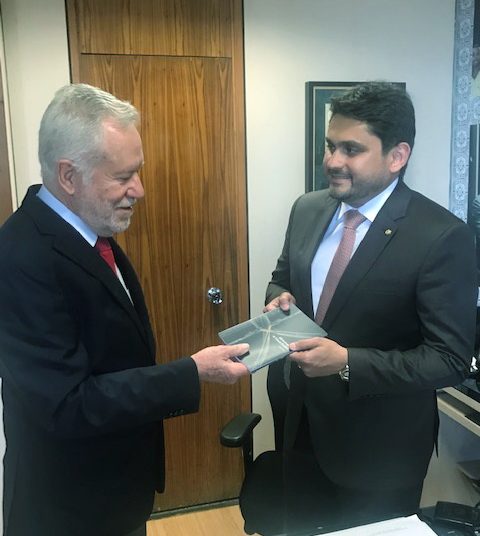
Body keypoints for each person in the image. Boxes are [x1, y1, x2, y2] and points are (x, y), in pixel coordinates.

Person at [0, 83, 250, 536]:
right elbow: (65, 405)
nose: (140, 190)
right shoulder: (21, 257)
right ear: (69, 176)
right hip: (68, 511)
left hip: (116, 494)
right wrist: (191, 372)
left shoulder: (91, 229)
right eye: (123, 176)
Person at [263, 82, 477, 532]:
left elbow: (450, 359)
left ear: (397, 156)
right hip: (298, 424)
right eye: (330, 145)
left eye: (351, 149)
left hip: (379, 453)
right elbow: (283, 277)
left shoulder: (441, 236)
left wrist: (347, 362)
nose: (332, 161)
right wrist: (277, 298)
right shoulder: (307, 209)